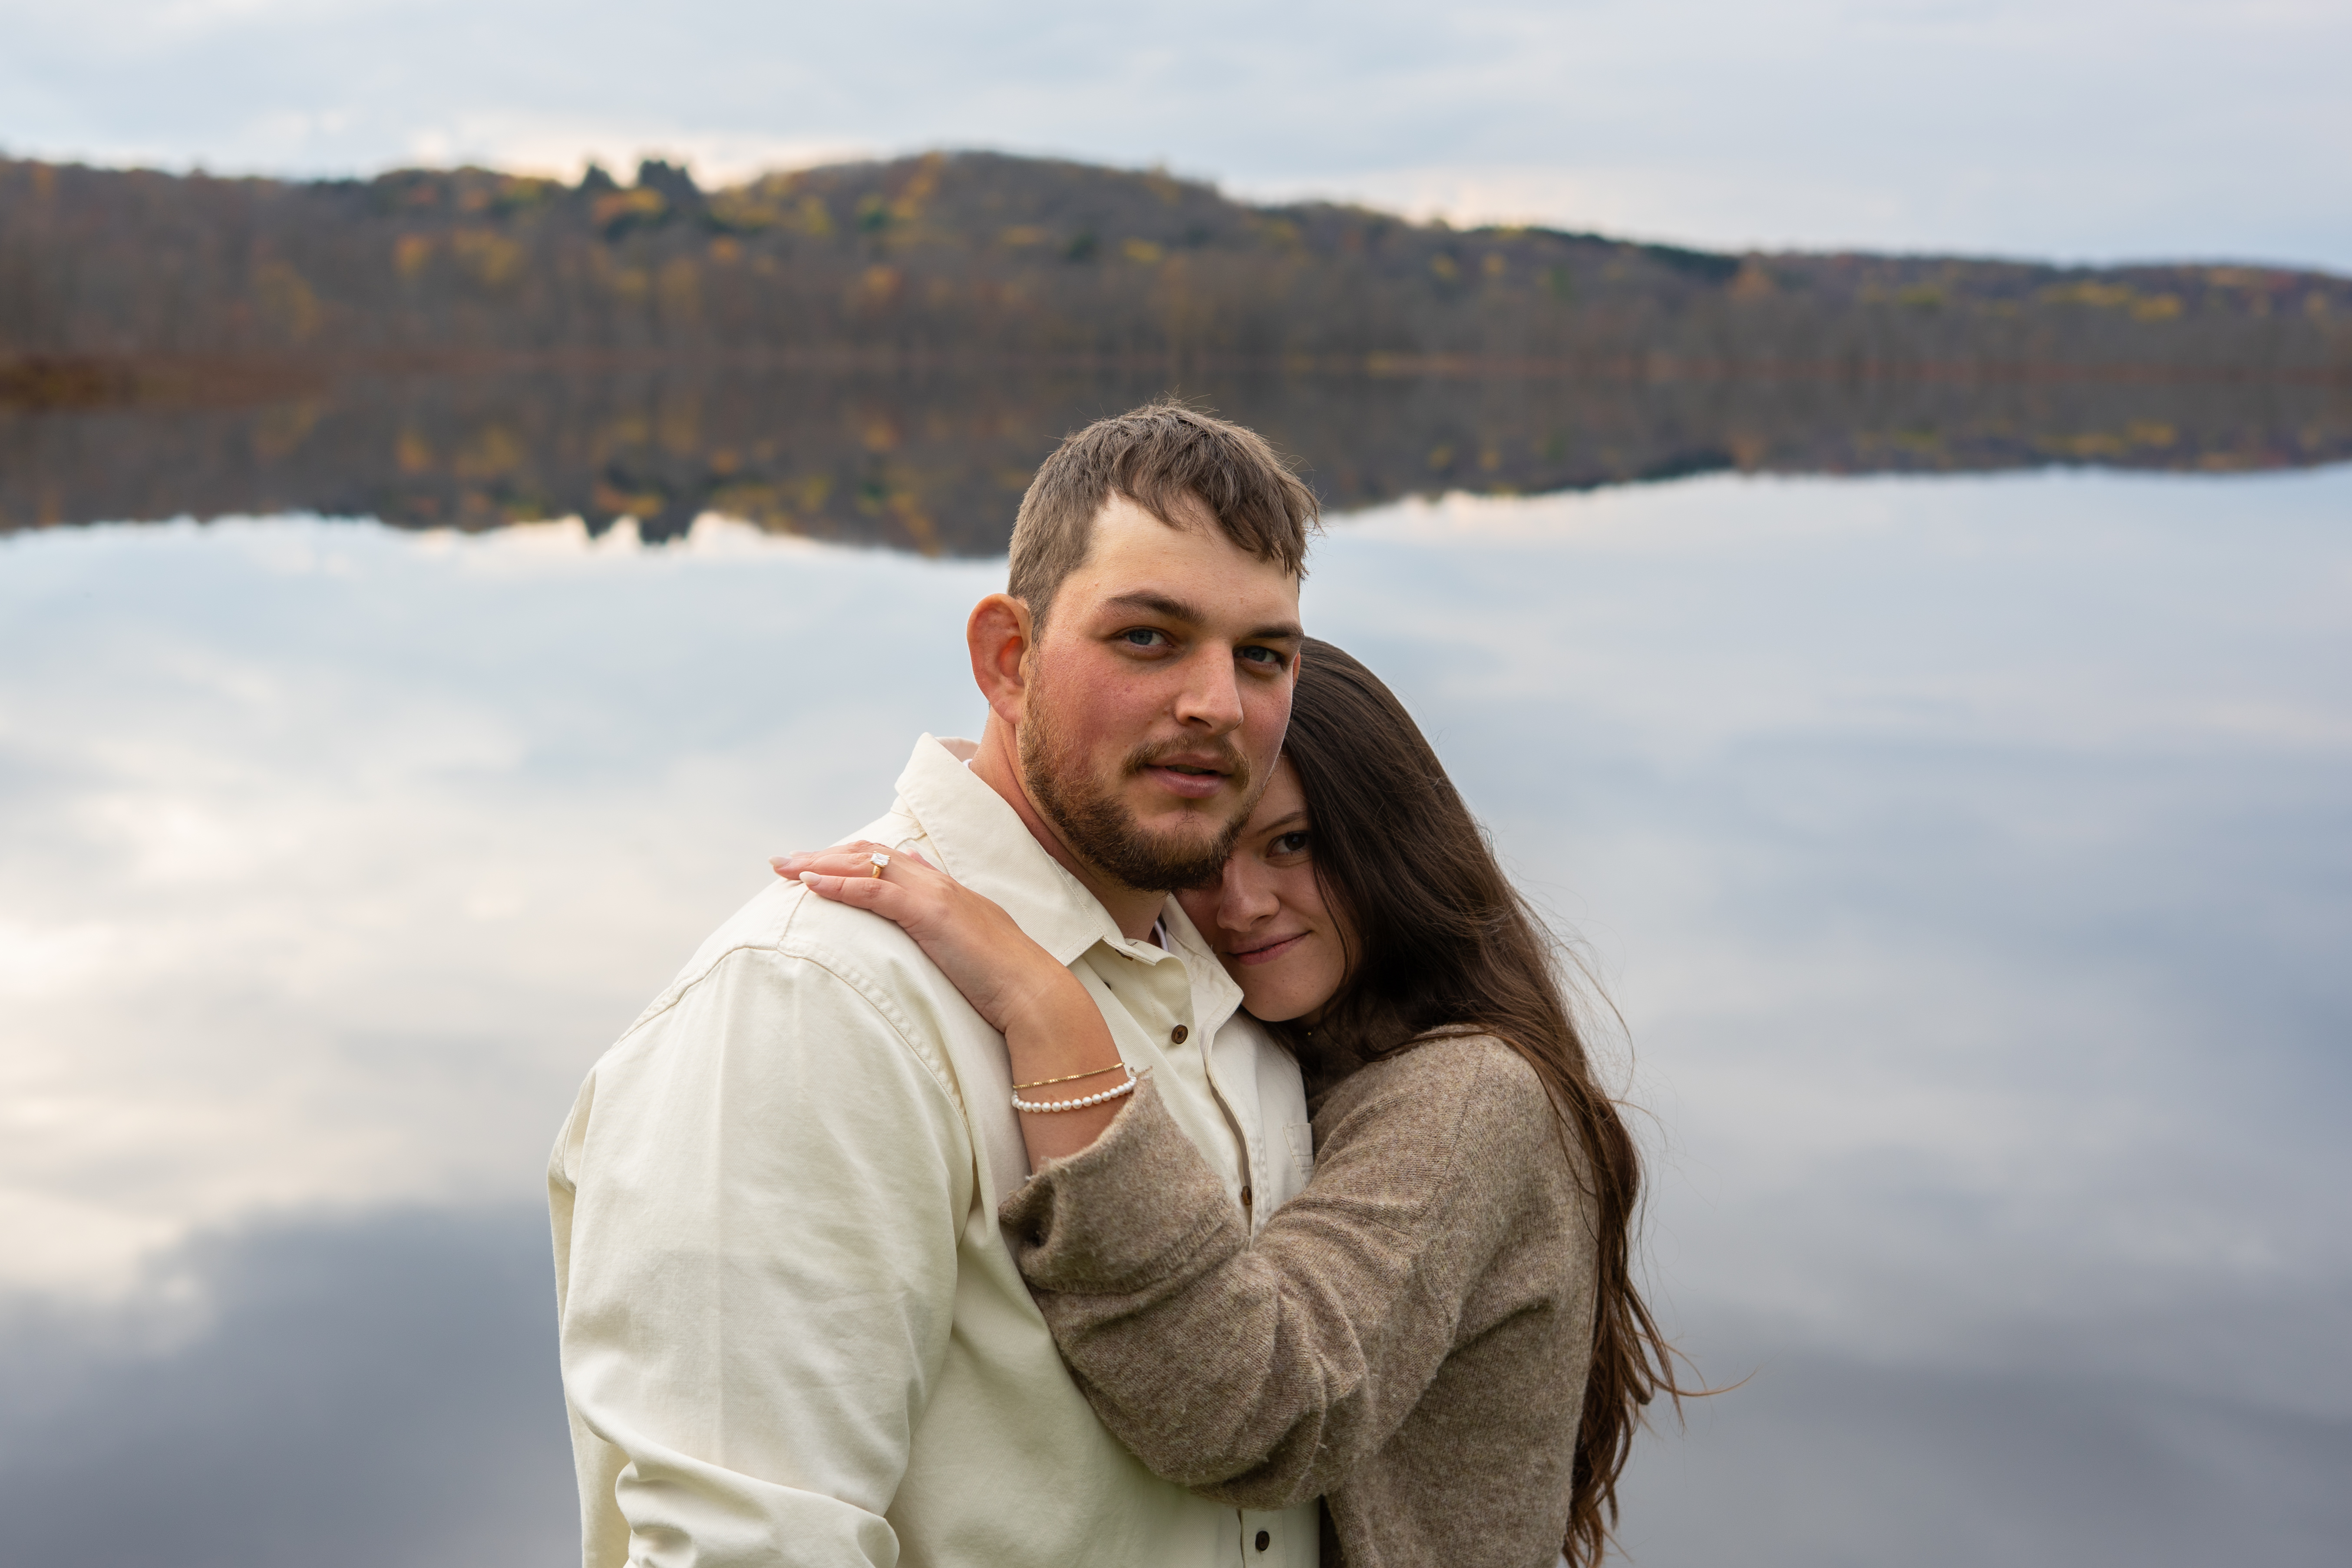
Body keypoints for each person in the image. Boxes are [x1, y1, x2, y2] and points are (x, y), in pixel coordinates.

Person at [548, 403, 1331, 1567]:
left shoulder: (1239, 986)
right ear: (1007, 659)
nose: (1218, 702)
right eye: (1150, 638)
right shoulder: (814, 1005)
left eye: (1260, 654)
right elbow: (749, 1544)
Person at [776, 639, 1682, 1568]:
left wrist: (1043, 1004)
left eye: (1290, 844)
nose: (1242, 904)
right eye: (1208, 861)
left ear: (1392, 839)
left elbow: (1263, 1412)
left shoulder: (1469, 1097)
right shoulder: (1302, 1055)